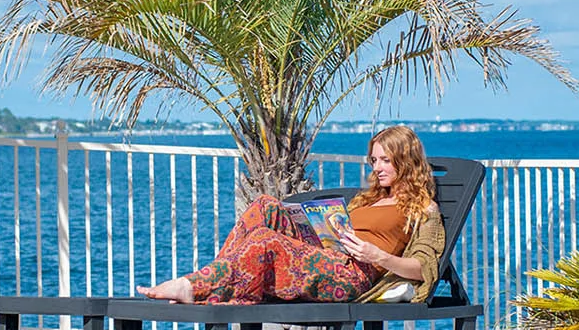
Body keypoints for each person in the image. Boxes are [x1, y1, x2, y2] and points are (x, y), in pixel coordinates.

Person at [137, 125, 446, 305]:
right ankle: (211, 280)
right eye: (374, 160)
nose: (377, 168)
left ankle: (195, 286)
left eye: (385, 160)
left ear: (406, 160)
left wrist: (377, 255)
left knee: (265, 240)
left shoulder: (423, 209)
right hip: (328, 257)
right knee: (265, 205)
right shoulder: (370, 198)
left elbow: (424, 268)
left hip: (354, 274)